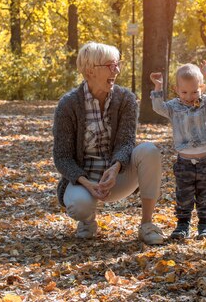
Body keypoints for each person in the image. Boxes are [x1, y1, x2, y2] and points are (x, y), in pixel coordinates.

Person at [52, 41, 165, 244]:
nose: (117, 70)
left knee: (149, 151)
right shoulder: (68, 105)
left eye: (117, 65)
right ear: (89, 71)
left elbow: (126, 142)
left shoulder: (125, 100)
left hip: (118, 176)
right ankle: (87, 220)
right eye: (110, 66)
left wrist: (115, 168)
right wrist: (85, 181)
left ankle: (147, 224)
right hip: (84, 181)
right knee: (79, 206)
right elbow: (62, 157)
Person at [150, 60, 206, 241]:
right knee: (184, 194)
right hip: (184, 162)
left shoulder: (205, 104)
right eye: (184, 92)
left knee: (205, 194)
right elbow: (158, 107)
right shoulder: (173, 107)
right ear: (176, 89)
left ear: (201, 88)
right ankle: (183, 225)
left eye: (195, 91)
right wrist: (158, 87)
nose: (189, 96)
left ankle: (204, 225)